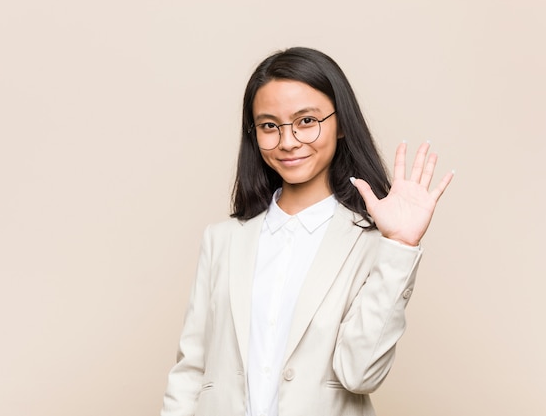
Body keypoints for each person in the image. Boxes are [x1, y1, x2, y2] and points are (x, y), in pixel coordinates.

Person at [161, 47, 453, 416]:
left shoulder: (371, 242)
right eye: (269, 125)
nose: (287, 141)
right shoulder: (222, 240)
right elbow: (190, 373)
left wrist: (400, 245)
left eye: (306, 121)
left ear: (341, 122)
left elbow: (359, 375)